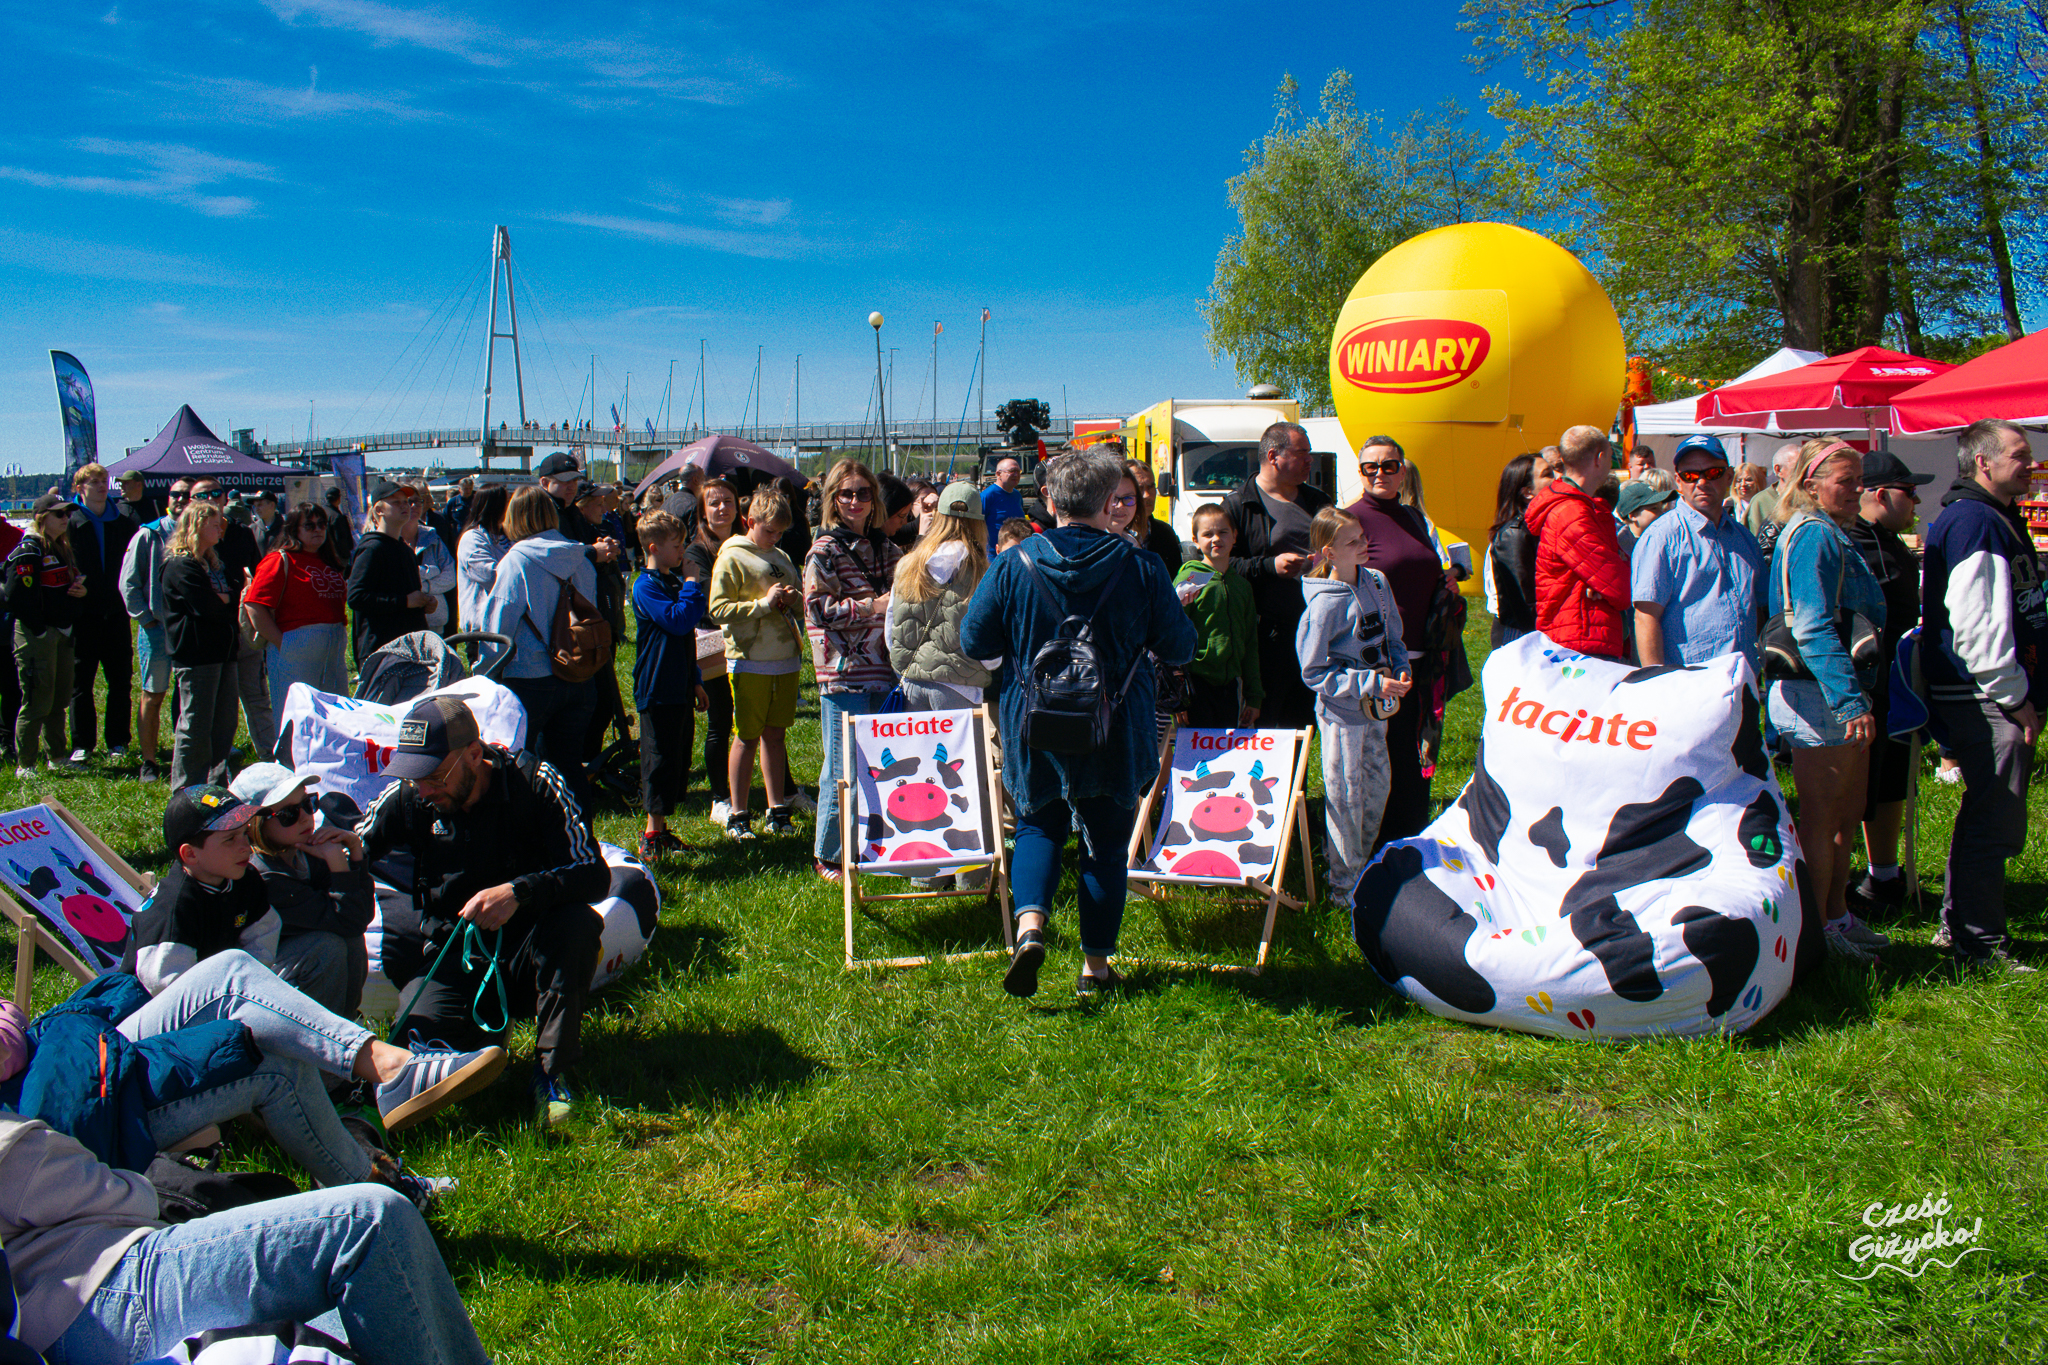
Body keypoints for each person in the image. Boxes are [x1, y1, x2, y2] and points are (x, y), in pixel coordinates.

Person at [124, 783, 507, 1140]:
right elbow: (168, 991)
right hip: (169, 1039)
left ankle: (343, 1075)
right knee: (323, 948)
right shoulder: (176, 907)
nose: (244, 846)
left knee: (333, 945)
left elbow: (266, 940)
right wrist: (244, 1000)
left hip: (227, 1005)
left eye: (244, 834)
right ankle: (370, 1072)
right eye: (230, 839)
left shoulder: (242, 881)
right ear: (190, 854)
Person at [960, 447, 1197, 998]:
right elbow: (1180, 645)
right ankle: (1095, 969)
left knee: (1040, 824)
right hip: (1115, 723)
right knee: (1107, 845)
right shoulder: (1141, 565)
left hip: (1032, 719)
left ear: (1049, 497)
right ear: (1108, 499)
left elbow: (975, 641)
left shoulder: (1014, 563)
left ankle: (1030, 928)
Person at [359, 694, 611, 1127]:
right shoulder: (411, 795)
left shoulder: (535, 782)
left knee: (578, 925)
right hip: (454, 954)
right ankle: (468, 1049)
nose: (424, 790)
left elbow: (593, 873)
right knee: (412, 1045)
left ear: (474, 755)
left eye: (435, 776)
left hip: (529, 953)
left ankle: (552, 1075)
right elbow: (358, 843)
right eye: (414, 777)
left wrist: (520, 892)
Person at [1921, 419, 2044, 971]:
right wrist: (2013, 696)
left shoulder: (1990, 516)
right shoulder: (1974, 520)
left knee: (1988, 815)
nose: (2031, 463)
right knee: (1995, 819)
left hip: (1989, 692)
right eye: (2019, 455)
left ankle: (1960, 929)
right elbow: (1976, 623)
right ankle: (1979, 943)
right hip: (1983, 694)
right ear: (1984, 463)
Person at [1766, 439, 1888, 961]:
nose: (1858, 488)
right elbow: (1811, 626)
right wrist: (1849, 701)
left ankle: (1835, 916)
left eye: (1860, 478)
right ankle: (1814, 936)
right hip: (1818, 696)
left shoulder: (1828, 530)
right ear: (1812, 485)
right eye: (1846, 479)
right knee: (1823, 818)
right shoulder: (1814, 534)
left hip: (1831, 694)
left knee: (1847, 813)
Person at [1297, 506, 1411, 907]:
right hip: (1342, 716)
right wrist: (1368, 681)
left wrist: (1398, 667)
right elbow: (1313, 673)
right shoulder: (1324, 606)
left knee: (1377, 789)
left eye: (1363, 537)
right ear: (1329, 553)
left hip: (1377, 714)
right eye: (1353, 542)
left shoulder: (1378, 582)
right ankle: (1343, 888)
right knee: (1345, 797)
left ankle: (1359, 869)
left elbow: (1392, 636)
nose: (1364, 545)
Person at [1344, 436, 1454, 844]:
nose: (1379, 474)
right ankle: (1372, 849)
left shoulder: (1415, 517)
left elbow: (1431, 568)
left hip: (1422, 660)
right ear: (1360, 472)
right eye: (1370, 466)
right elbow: (1333, 588)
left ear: (1402, 471)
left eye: (1389, 466)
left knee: (1414, 758)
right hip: (1376, 665)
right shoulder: (1349, 521)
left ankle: (1411, 842)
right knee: (1377, 762)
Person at [805, 459, 905, 879]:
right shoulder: (823, 551)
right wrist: (874, 607)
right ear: (832, 499)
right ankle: (829, 853)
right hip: (843, 673)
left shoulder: (890, 550)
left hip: (883, 672)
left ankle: (871, 844)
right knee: (843, 767)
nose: (855, 501)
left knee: (881, 764)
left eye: (863, 493)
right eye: (845, 493)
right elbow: (818, 609)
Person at [478, 486, 602, 818]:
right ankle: (579, 837)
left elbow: (498, 627)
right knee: (569, 766)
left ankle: (532, 836)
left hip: (531, 676)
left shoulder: (516, 561)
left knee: (523, 767)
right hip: (577, 673)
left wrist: (483, 675)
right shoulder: (580, 556)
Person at [1846, 450, 1931, 920]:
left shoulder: (1889, 539)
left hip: (1897, 685)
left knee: (1891, 781)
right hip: (1862, 690)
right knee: (1860, 789)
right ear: (1880, 495)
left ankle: (1883, 875)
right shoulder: (1850, 541)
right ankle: (1842, 890)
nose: (1916, 501)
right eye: (1910, 492)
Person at [234, 763, 373, 1019]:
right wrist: (338, 866)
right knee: (327, 947)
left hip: (293, 967)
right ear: (255, 824)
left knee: (350, 941)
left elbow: (361, 918)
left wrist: (355, 852)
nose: (305, 817)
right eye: (288, 814)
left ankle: (346, 1025)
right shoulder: (264, 877)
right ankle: (324, 1043)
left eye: (308, 804)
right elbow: (350, 919)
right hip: (253, 985)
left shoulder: (303, 851)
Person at [1223, 422, 1334, 730]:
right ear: (1274, 456)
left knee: (1306, 721)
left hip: (1316, 630)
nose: (1310, 460)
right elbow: (1221, 565)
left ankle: (1298, 777)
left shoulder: (1318, 502)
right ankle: (1268, 779)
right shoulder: (1239, 504)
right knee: (1267, 721)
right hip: (1266, 636)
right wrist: (1270, 566)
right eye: (1302, 453)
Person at [709, 487, 805, 842]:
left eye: (780, 533)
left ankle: (777, 807)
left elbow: (798, 607)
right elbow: (718, 610)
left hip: (785, 659)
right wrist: (763, 605)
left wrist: (795, 601)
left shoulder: (781, 557)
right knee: (747, 736)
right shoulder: (732, 557)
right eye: (769, 531)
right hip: (749, 660)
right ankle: (737, 812)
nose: (775, 538)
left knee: (776, 735)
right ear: (750, 522)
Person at [1630, 434, 1764, 673]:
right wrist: (1656, 681)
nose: (1701, 482)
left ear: (1729, 476)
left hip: (1743, 682)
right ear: (1678, 483)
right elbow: (1645, 618)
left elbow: (1760, 608)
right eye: (1690, 475)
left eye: (1713, 473)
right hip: (1689, 686)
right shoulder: (1662, 537)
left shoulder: (1744, 539)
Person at [632, 509, 706, 862]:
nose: (682, 553)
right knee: (658, 760)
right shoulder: (645, 586)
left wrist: (696, 680)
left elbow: (689, 633)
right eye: (676, 546)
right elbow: (677, 621)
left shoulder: (673, 582)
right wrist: (691, 585)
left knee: (677, 759)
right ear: (653, 547)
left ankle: (662, 830)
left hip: (679, 684)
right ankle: (651, 832)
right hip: (657, 686)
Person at [1526, 424, 1631, 660]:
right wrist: (1615, 571)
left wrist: (1602, 579)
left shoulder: (1584, 508)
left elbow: (1612, 580)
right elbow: (1623, 589)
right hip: (1581, 642)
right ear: (1600, 458)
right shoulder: (1572, 514)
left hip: (1584, 635)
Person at [889, 480, 992, 712]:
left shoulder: (907, 564)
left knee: (919, 750)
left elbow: (891, 625)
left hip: (911, 683)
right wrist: (989, 666)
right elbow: (987, 636)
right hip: (962, 686)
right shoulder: (982, 571)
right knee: (959, 750)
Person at [7, 494, 86, 777]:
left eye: (67, 513)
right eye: (59, 514)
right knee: (38, 699)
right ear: (42, 518)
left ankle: (57, 755)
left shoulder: (62, 547)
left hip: (62, 631)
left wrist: (80, 593)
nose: (65, 519)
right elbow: (15, 595)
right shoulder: (29, 549)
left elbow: (64, 588)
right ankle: (25, 764)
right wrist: (39, 629)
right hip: (36, 635)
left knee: (59, 699)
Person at [243, 502, 350, 709]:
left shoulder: (329, 561)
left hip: (333, 646)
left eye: (321, 524)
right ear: (294, 530)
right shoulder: (279, 560)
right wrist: (284, 645)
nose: (317, 529)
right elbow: (254, 606)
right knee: (299, 717)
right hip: (294, 645)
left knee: (336, 715)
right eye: (309, 526)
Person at [196, 477, 273, 760]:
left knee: (256, 695)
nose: (210, 498)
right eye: (201, 495)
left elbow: (258, 575)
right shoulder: (186, 544)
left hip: (241, 625)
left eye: (215, 493)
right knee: (214, 701)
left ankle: (270, 754)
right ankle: (216, 755)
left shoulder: (241, 533)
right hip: (208, 633)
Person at [64, 462, 136, 764]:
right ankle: (83, 743)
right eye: (93, 481)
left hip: (117, 611)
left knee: (120, 680)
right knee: (81, 681)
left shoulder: (123, 518)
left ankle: (117, 741)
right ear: (80, 487)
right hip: (84, 613)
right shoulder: (70, 520)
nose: (101, 485)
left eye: (104, 480)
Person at [117, 478, 189, 782]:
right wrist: (145, 618)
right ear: (167, 499)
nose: (181, 500)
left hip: (186, 628)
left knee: (185, 695)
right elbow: (128, 582)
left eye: (187, 495)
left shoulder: (198, 533)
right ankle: (148, 760)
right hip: (157, 629)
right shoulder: (149, 533)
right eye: (176, 495)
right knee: (153, 694)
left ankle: (182, 753)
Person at [1172, 503, 1262, 729]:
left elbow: (1250, 643)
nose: (1216, 539)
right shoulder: (1188, 580)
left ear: (1234, 536)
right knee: (1194, 754)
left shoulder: (1242, 586)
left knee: (1225, 754)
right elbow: (1170, 636)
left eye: (1222, 532)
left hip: (1231, 686)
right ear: (1195, 539)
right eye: (1207, 534)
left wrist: (1254, 697)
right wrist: (1177, 696)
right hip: (1195, 685)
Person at [686, 478, 743, 825]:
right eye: (714, 503)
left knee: (759, 721)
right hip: (715, 647)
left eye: (727, 501)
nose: (721, 508)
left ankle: (785, 789)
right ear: (703, 511)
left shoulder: (747, 543)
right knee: (720, 721)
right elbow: (710, 601)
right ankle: (719, 796)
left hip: (751, 643)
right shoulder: (696, 552)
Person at [346, 480, 433, 668]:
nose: (405, 506)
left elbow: (406, 596)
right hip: (382, 651)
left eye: (406, 501)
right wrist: (405, 601)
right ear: (379, 510)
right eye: (396, 502)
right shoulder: (372, 548)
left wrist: (423, 604)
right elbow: (356, 597)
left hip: (409, 648)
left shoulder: (406, 550)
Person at [1484, 453, 1548, 648]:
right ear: (1528, 491)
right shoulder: (1515, 533)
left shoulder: (1538, 527)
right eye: (1548, 474)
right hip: (1521, 637)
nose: (1557, 479)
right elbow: (1523, 600)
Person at [455, 482, 511, 649]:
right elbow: (490, 576)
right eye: (507, 502)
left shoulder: (509, 537)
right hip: (481, 630)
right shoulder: (472, 538)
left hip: (505, 627)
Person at [1124, 460, 1184, 572]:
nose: (1147, 495)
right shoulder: (1114, 534)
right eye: (1140, 488)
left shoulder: (1166, 533)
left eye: (1151, 487)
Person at [1745, 440, 1804, 544]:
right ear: (1778, 470)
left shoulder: (1811, 498)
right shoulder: (1762, 501)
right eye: (1798, 468)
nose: (1803, 473)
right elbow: (1751, 543)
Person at [981, 455, 1027, 554]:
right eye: (1012, 471)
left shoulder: (1017, 496)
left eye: (1018, 471)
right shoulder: (987, 496)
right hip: (993, 556)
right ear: (998, 474)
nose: (1016, 474)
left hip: (1017, 554)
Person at [323, 483, 356, 565]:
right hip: (337, 556)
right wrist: (345, 555)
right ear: (338, 498)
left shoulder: (322, 511)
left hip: (325, 554)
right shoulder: (336, 516)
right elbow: (341, 539)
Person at [251, 488, 287, 552]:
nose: (256, 509)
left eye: (260, 505)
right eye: (255, 506)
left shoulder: (286, 528)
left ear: (272, 505)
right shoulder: (252, 529)